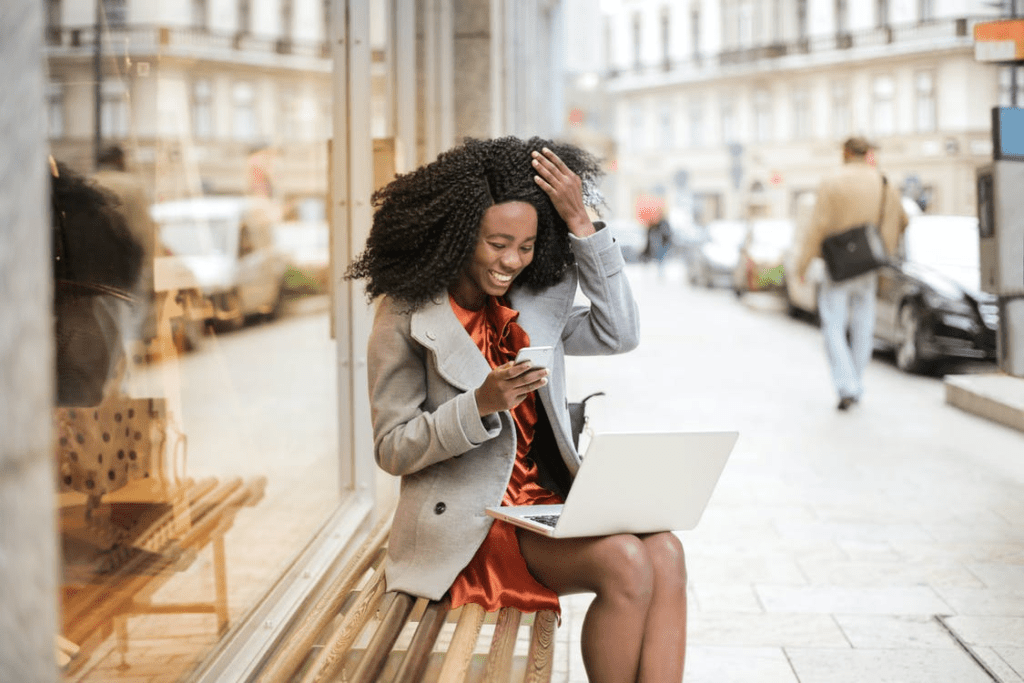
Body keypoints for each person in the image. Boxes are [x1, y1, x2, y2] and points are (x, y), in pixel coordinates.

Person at [346, 136, 689, 682]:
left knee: (667, 552)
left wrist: (581, 222)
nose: (512, 261)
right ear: (459, 237)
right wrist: (479, 404)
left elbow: (619, 333)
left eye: (526, 246)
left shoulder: (529, 302)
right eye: (497, 243)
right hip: (472, 522)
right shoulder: (406, 313)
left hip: (543, 507)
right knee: (625, 561)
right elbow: (392, 448)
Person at [792, 136, 909, 411]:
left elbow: (817, 227)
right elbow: (903, 220)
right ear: (867, 153)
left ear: (846, 153)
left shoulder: (831, 181)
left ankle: (846, 385)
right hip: (869, 266)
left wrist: (802, 266)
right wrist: (884, 245)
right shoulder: (883, 182)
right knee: (863, 327)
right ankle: (855, 382)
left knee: (833, 325)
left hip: (839, 267)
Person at [91, 145, 157, 350]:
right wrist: (151, 271)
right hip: (128, 265)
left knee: (104, 320)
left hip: (94, 266)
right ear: (120, 161)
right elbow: (144, 231)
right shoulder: (132, 186)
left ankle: (110, 366)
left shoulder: (86, 184)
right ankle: (127, 360)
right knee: (132, 318)